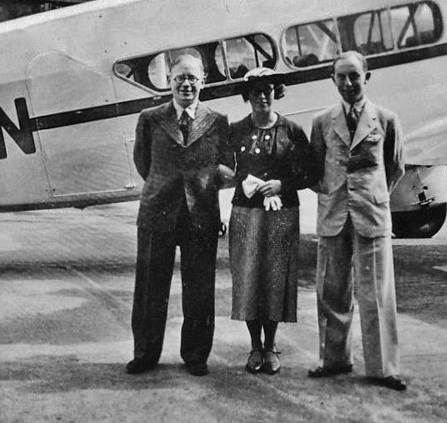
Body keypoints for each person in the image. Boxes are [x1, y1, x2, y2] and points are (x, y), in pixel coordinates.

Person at [307, 50, 407, 391]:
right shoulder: (322, 121)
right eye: (341, 77)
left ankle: (383, 368)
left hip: (371, 213)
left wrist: (372, 194)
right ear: (332, 80)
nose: (348, 83)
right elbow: (315, 170)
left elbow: (395, 168)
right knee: (331, 290)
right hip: (334, 213)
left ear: (367, 77)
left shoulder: (387, 119)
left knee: (377, 293)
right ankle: (333, 360)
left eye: (354, 76)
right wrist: (335, 194)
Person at [127, 53, 230, 377]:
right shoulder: (150, 118)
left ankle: (196, 355)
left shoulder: (218, 120)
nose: (186, 84)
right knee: (150, 288)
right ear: (169, 81)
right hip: (157, 211)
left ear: (203, 81)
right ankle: (145, 354)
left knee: (200, 289)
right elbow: (143, 162)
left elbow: (225, 165)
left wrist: (199, 189)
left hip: (200, 214)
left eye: (192, 78)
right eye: (180, 78)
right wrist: (164, 186)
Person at [226, 67, 312, 375]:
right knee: (248, 278)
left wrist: (282, 185)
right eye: (256, 91)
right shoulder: (235, 130)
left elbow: (310, 173)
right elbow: (224, 168)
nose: (262, 96)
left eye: (268, 90)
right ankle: (254, 346)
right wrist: (242, 180)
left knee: (276, 279)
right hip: (245, 212)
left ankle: (272, 344)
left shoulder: (292, 131)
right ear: (247, 95)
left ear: (277, 92)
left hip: (281, 213)